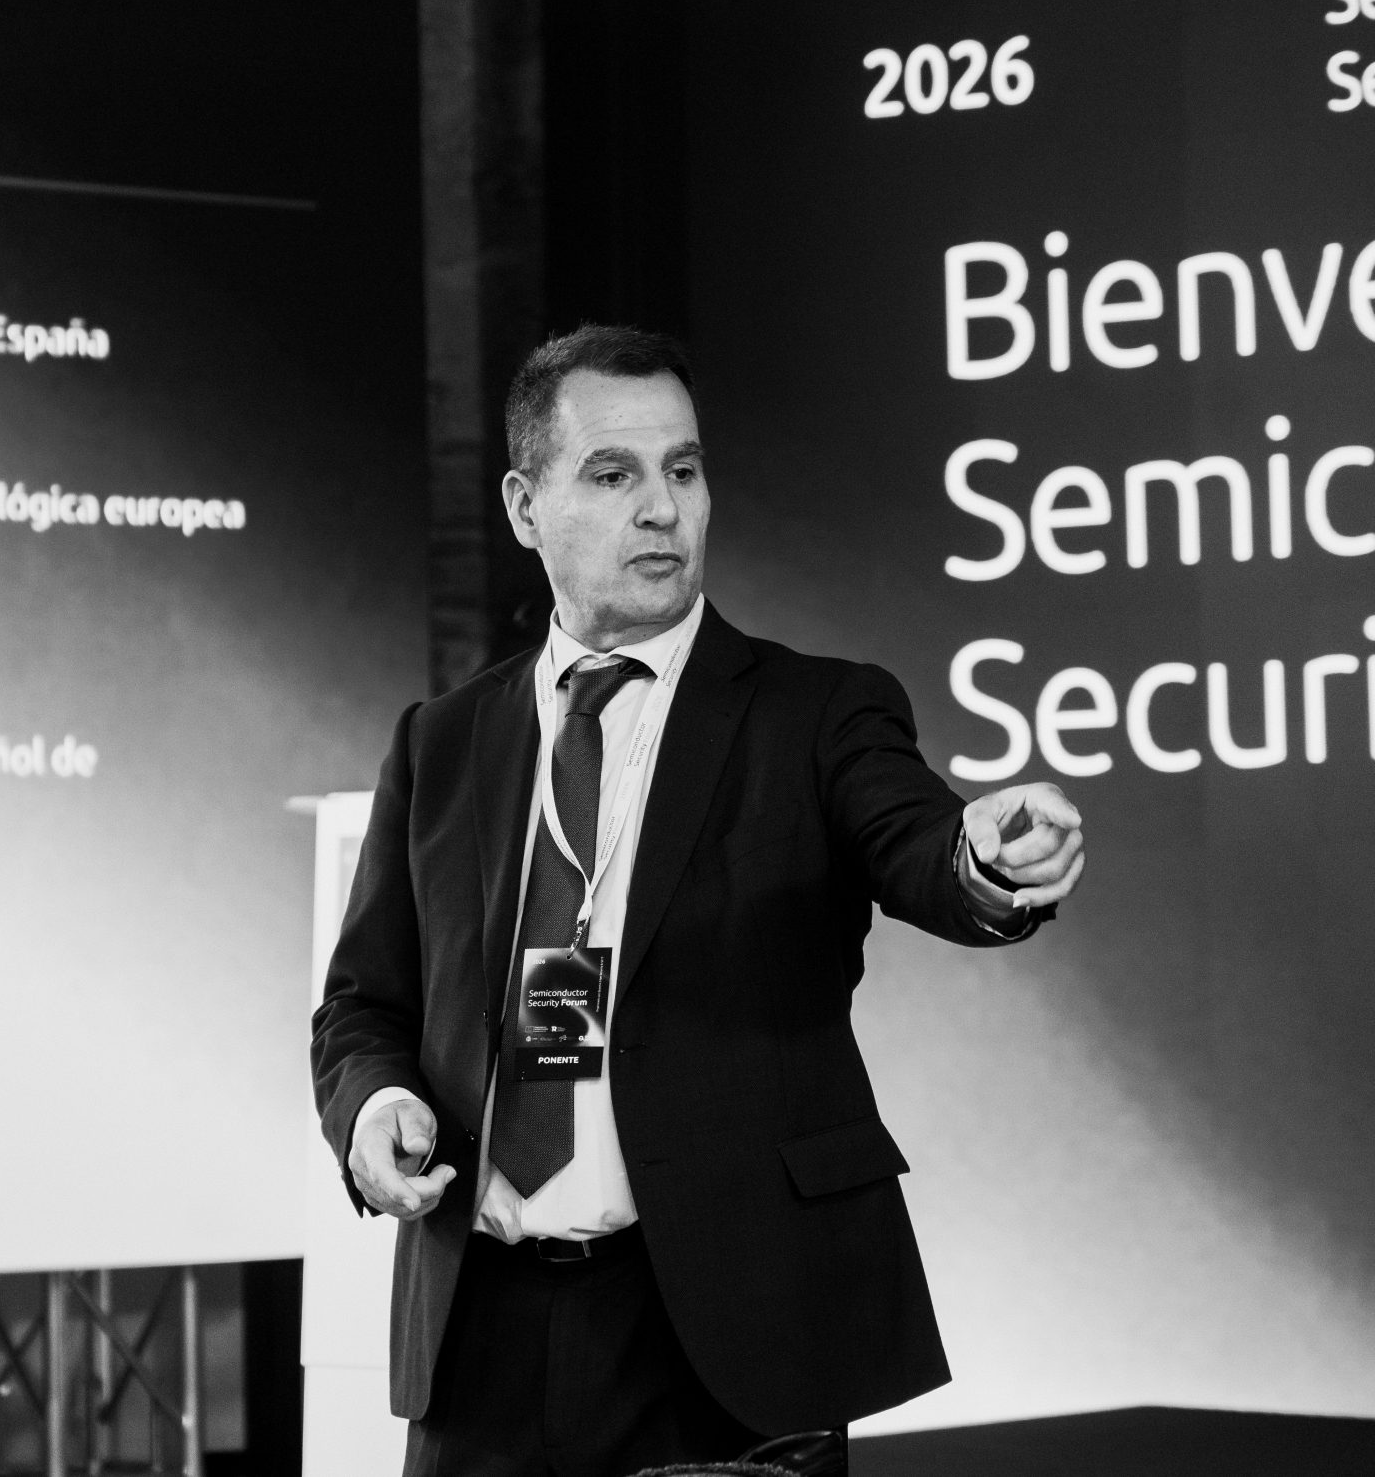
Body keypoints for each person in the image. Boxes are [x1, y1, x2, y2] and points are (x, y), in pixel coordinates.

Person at [311, 324, 1087, 1477]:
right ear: (524, 507)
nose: (662, 508)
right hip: (478, 1340)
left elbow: (919, 845)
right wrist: (373, 1110)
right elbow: (364, 1006)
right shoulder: (442, 742)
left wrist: (984, 860)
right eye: (612, 475)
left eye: (683, 469)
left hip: (721, 1337)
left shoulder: (815, 713)